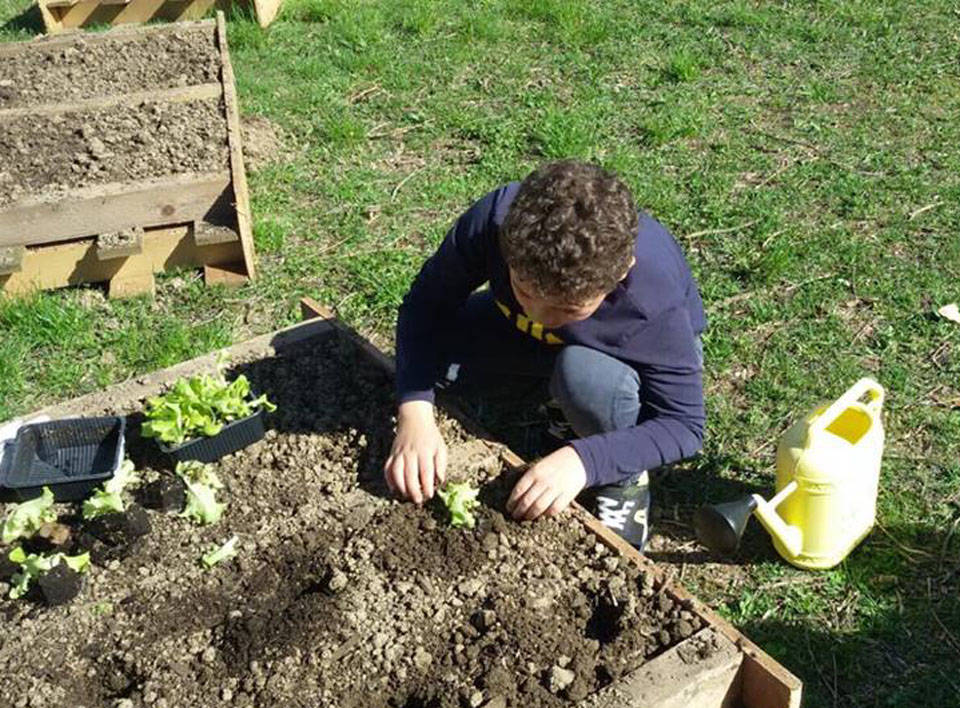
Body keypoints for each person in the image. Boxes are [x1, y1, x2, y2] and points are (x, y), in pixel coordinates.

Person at [383, 160, 705, 550]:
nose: (540, 315)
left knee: (584, 378)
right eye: (524, 289)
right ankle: (554, 399)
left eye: (568, 309)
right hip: (518, 336)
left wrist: (584, 461)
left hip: (616, 363)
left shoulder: (652, 302)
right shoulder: (496, 221)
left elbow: (683, 425)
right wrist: (415, 411)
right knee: (436, 348)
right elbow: (426, 305)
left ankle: (623, 477)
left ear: (620, 275)